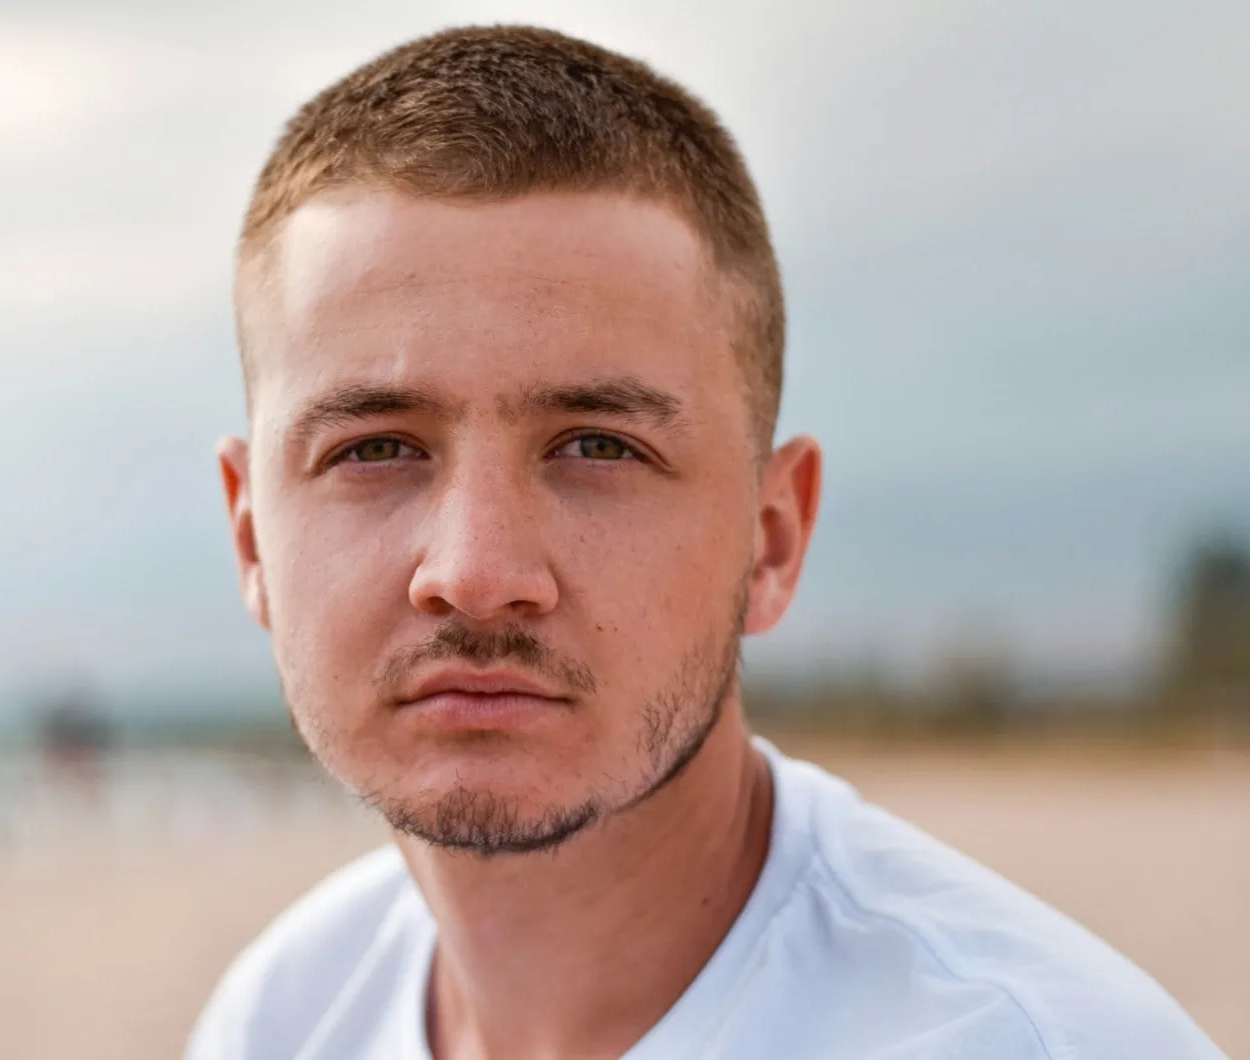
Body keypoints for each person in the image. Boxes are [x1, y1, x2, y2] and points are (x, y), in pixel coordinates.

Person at [187, 25, 1224, 1059]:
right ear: (251, 543)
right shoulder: (279, 1018)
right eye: (374, 449)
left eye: (597, 444)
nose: (475, 573)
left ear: (772, 539)